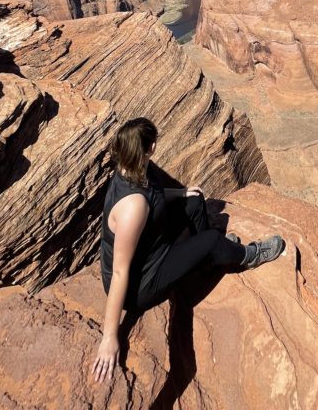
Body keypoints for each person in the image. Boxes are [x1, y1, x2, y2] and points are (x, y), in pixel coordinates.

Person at [92, 117, 284, 384]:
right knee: (213, 241)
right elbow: (121, 273)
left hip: (150, 248)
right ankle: (247, 256)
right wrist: (109, 336)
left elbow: (155, 194)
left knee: (195, 201)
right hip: (142, 284)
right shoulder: (132, 208)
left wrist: (181, 195)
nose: (156, 145)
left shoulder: (132, 167)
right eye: (154, 142)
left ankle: (207, 258)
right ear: (149, 148)